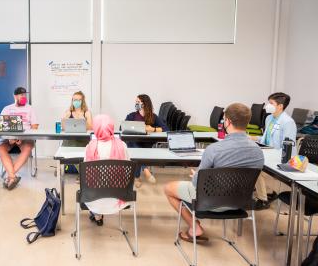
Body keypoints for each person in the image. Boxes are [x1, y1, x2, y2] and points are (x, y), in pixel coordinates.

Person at [164, 103, 264, 242]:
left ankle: (195, 226)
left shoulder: (214, 149)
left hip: (211, 201)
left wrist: (197, 176)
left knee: (168, 188)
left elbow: (196, 183)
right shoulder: (258, 152)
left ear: (228, 121)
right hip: (239, 202)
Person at [250, 92, 297, 209]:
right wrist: (253, 138)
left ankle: (263, 199)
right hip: (267, 152)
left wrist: (270, 155)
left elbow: (289, 147)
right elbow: (266, 138)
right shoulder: (269, 118)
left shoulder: (288, 122)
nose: (267, 105)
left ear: (280, 106)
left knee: (254, 168)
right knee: (247, 162)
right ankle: (269, 192)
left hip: (281, 157)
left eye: (271, 103)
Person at [84, 114, 130, 226]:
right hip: (119, 195)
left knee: (93, 182)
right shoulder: (122, 145)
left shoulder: (90, 147)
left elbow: (86, 174)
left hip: (94, 198)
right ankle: (98, 214)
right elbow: (128, 169)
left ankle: (97, 215)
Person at [0, 87, 38, 190]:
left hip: (25, 138)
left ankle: (10, 176)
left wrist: (23, 137)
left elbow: (35, 126)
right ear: (15, 96)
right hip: (8, 137)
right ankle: (12, 176)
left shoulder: (30, 108)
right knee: (0, 148)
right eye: (21, 95)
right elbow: (1, 126)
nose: (24, 97)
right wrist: (10, 137)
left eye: (25, 95)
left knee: (27, 148)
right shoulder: (7, 108)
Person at [125, 94, 168, 188]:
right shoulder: (131, 116)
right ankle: (145, 170)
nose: (136, 104)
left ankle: (137, 177)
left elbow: (166, 129)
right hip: (134, 142)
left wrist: (153, 129)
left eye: (138, 102)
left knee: (135, 148)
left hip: (146, 143)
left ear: (145, 104)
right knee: (133, 143)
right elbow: (123, 128)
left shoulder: (153, 117)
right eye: (136, 102)